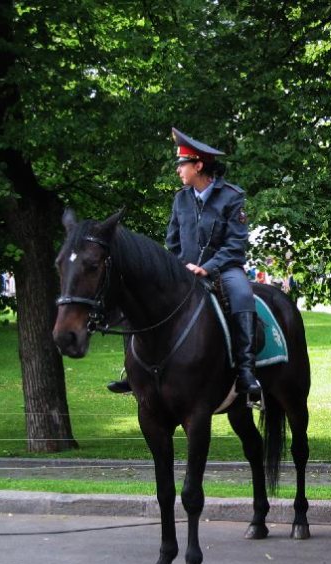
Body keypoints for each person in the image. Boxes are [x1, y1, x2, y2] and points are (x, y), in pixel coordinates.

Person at [108, 128, 261, 400]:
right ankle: (131, 372)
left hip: (224, 270)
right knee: (138, 299)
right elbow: (173, 242)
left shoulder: (232, 197)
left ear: (198, 165)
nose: (178, 169)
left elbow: (235, 244)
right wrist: (178, 267)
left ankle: (246, 372)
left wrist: (208, 267)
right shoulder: (181, 198)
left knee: (242, 294)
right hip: (183, 272)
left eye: (183, 164)